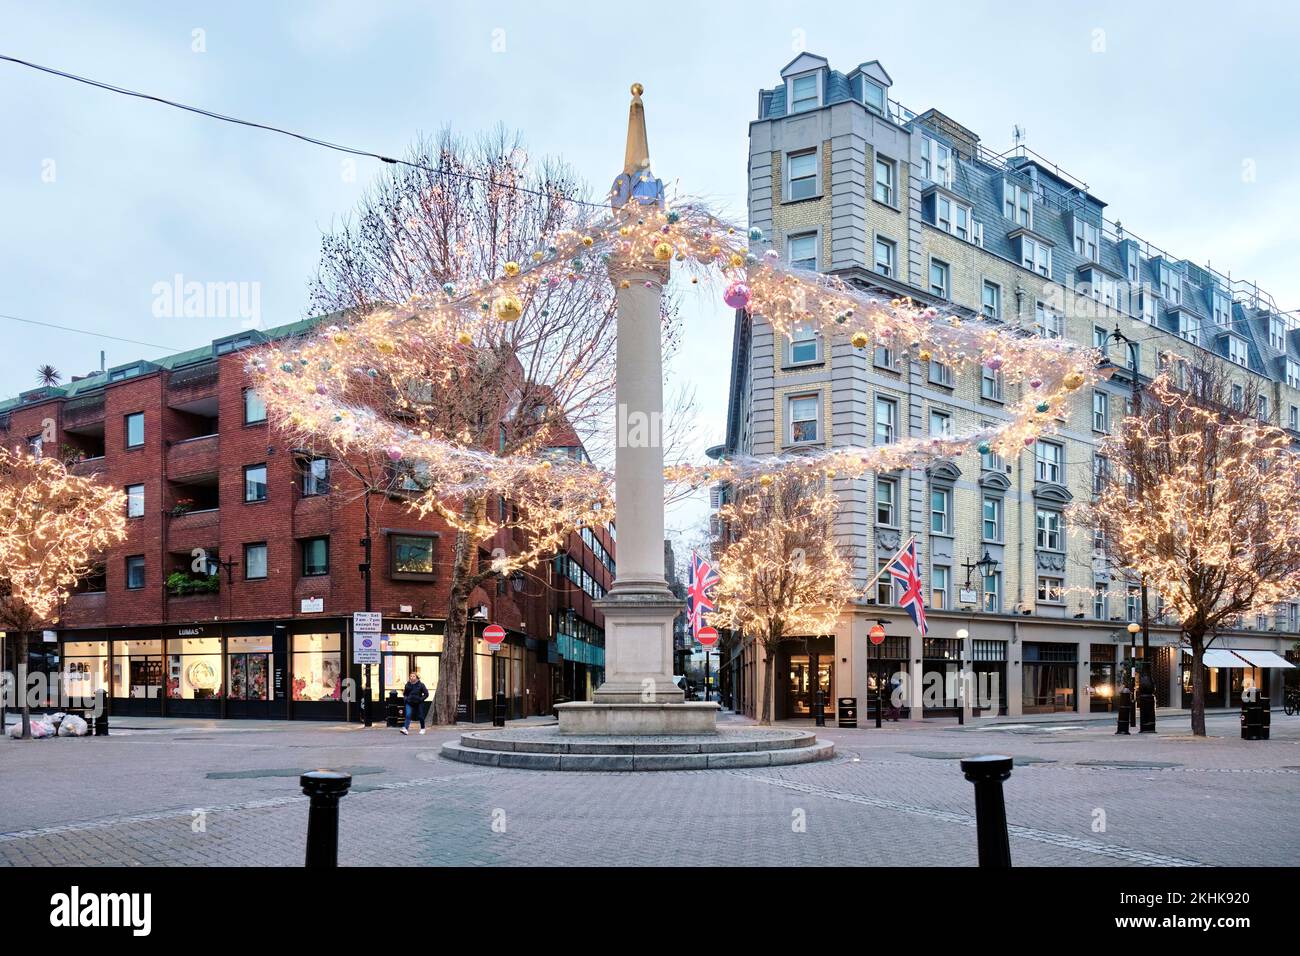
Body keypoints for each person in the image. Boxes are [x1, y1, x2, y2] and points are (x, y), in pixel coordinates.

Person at [400, 670, 429, 735]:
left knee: (421, 716)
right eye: (411, 676)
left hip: (418, 703)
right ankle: (405, 729)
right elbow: (405, 694)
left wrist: (420, 699)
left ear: (417, 677)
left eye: (414, 676)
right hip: (409, 702)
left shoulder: (421, 685)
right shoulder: (407, 685)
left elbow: (426, 694)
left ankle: (423, 728)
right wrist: (406, 699)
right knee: (408, 715)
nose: (412, 677)